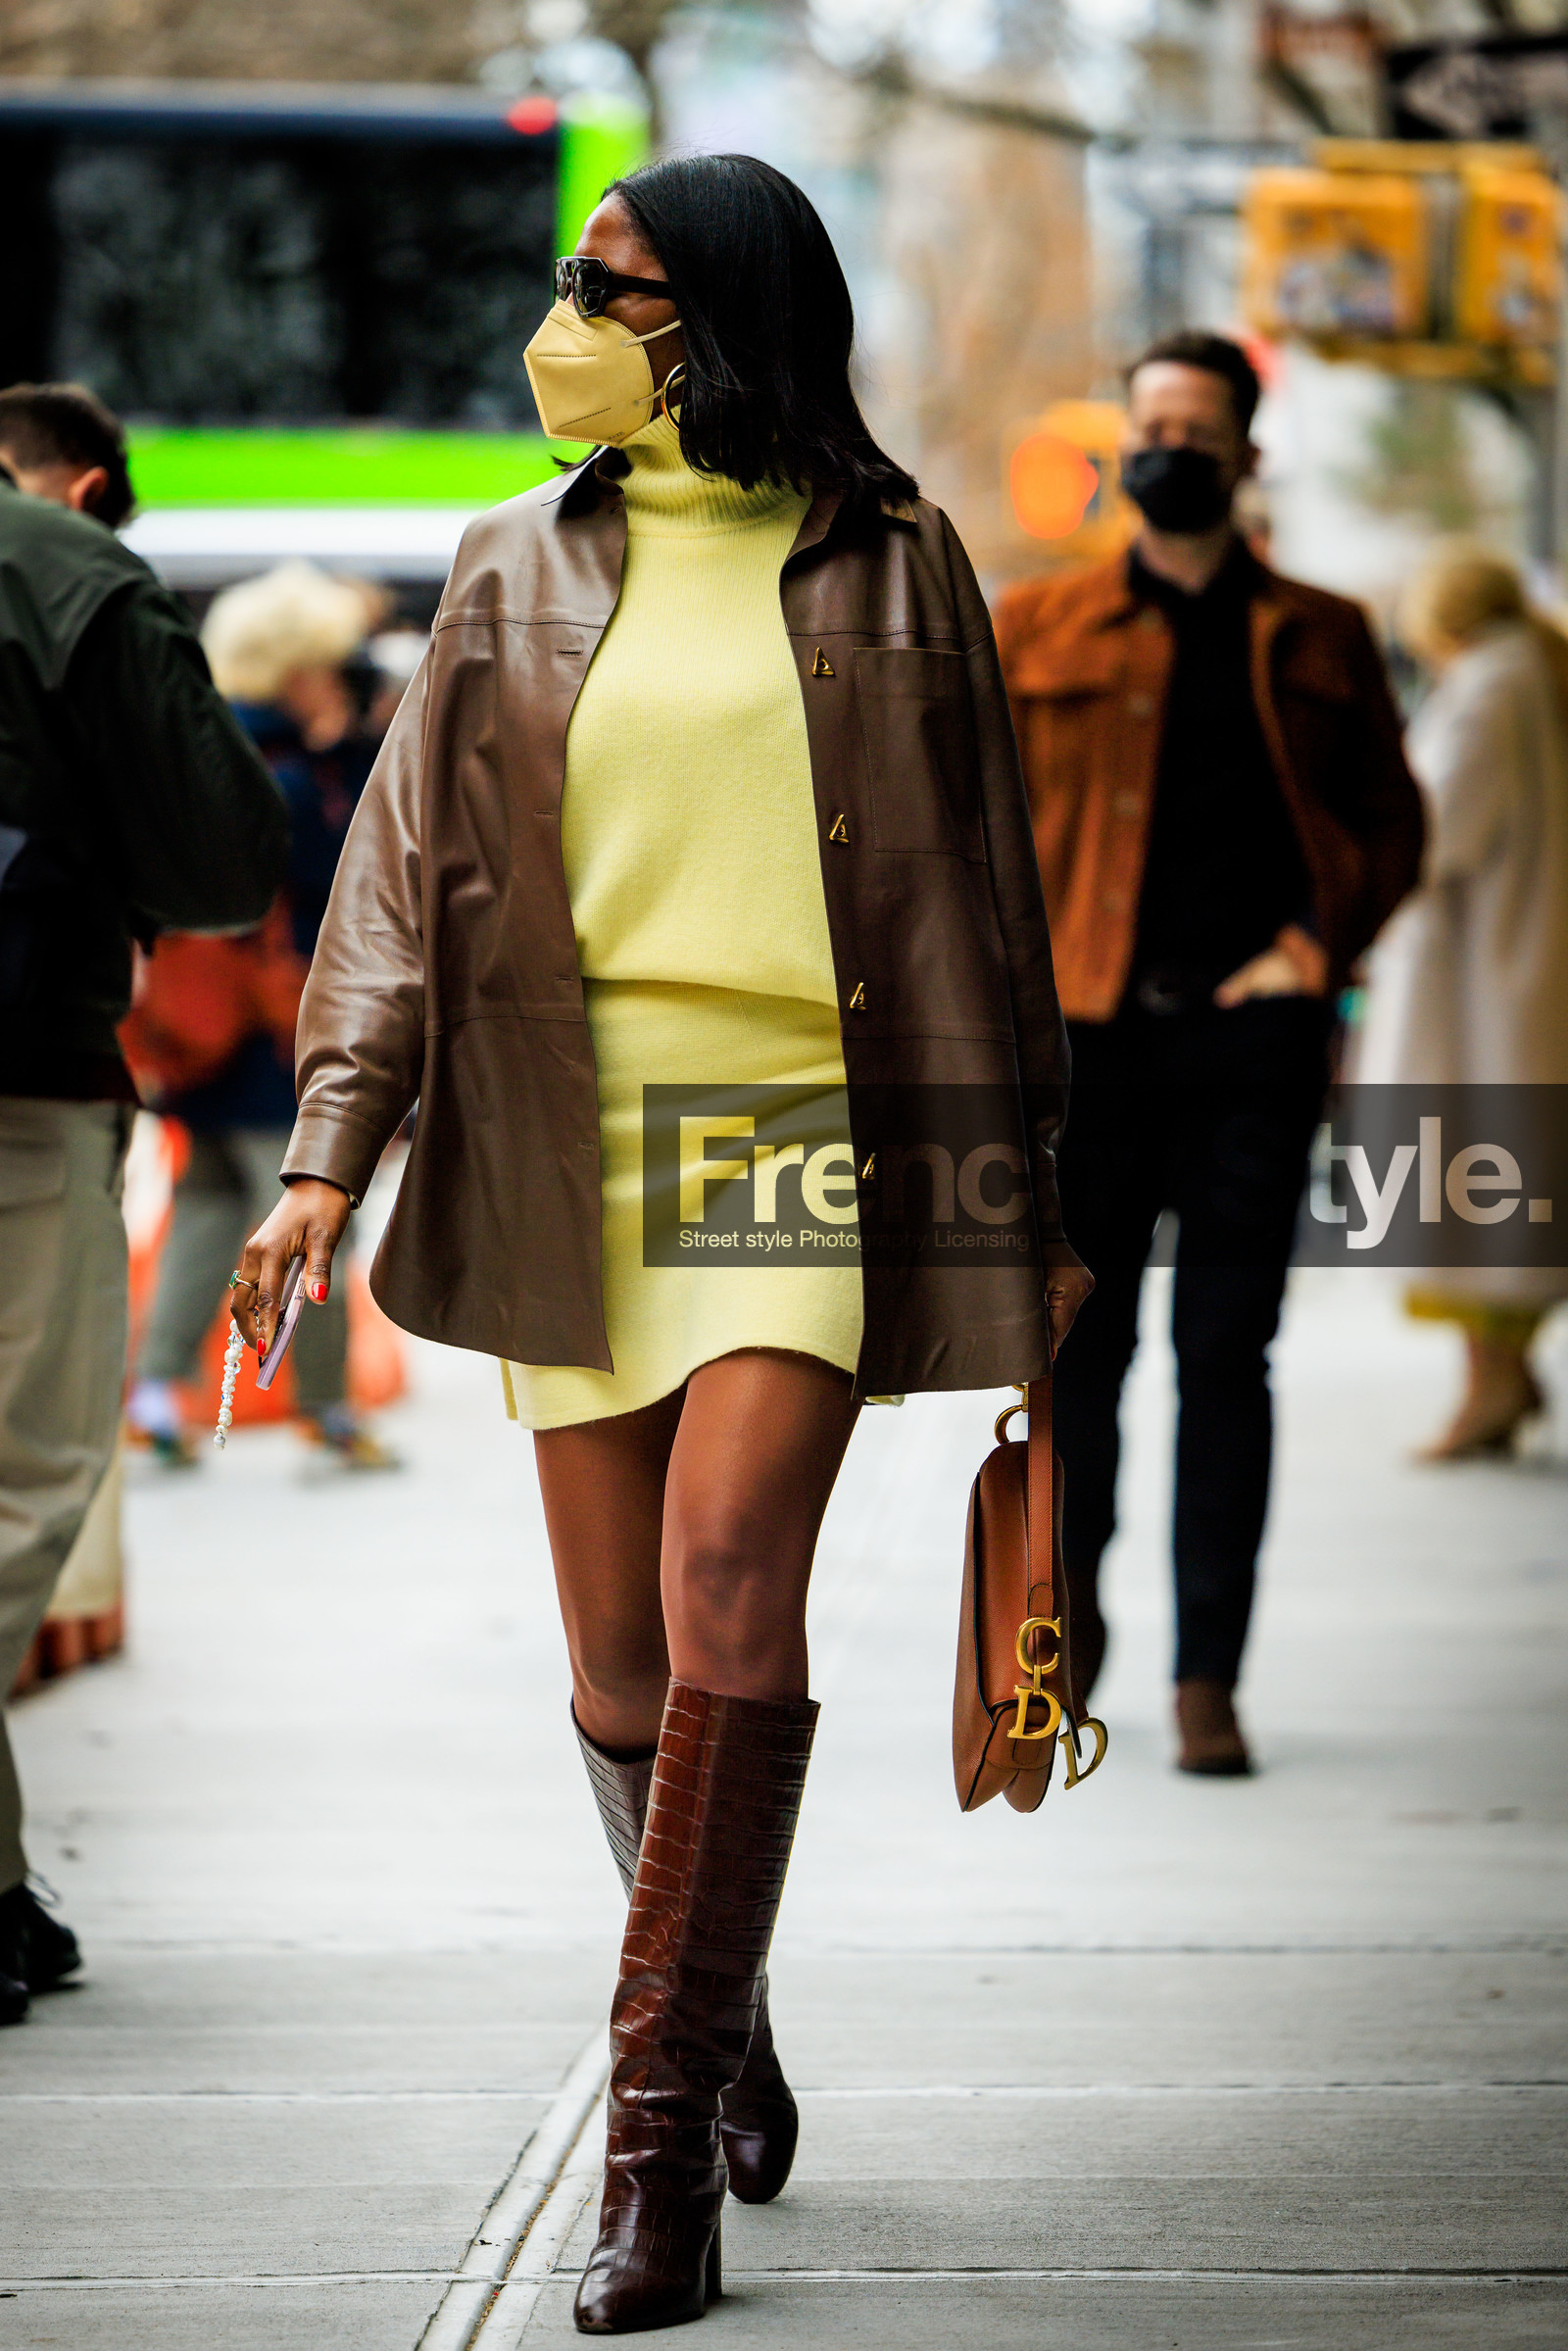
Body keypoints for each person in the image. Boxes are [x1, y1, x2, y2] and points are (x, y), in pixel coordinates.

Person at [228, 155, 1090, 2335]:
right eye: (563, 280)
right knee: (621, 1665)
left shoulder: (893, 557)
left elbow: (987, 895)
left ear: (715, 311)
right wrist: (332, 1146)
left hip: (787, 1124)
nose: (565, 318)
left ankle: (654, 2153)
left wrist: (1024, 1211)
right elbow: (403, 884)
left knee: (728, 1588)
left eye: (603, 286)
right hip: (560, 1130)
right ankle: (723, 2000)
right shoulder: (508, 557)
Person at [995, 330, 1423, 1777]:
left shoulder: (1319, 630)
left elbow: (1389, 819)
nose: (1170, 443)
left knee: (1227, 1359)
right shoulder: (1037, 624)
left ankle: (1205, 1678)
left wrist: (1313, 946)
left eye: (1199, 423)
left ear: (1246, 455)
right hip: (1085, 1051)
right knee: (1080, 1358)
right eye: (1151, 420)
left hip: (1253, 1050)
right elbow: (974, 826)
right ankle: (1069, 1646)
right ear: (1126, 445)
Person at [0, 381, 286, 2024]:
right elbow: (211, 862)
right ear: (94, 483)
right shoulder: (74, 571)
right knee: (29, 1473)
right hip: (22, 1078)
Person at [123, 563, 398, 1470]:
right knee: (314, 1215)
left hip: (198, 1031)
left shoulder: (199, 749)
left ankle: (159, 1390)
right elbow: (335, 883)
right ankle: (328, 1405)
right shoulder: (287, 771)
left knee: (207, 1205)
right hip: (275, 1031)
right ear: (295, 668)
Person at [1358, 540, 1568, 1456]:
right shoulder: (1534, 672)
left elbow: (1432, 831)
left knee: (1469, 1187)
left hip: (1476, 977)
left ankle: (1488, 1387)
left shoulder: (1489, 687)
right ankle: (1506, 1378)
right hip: (1512, 968)